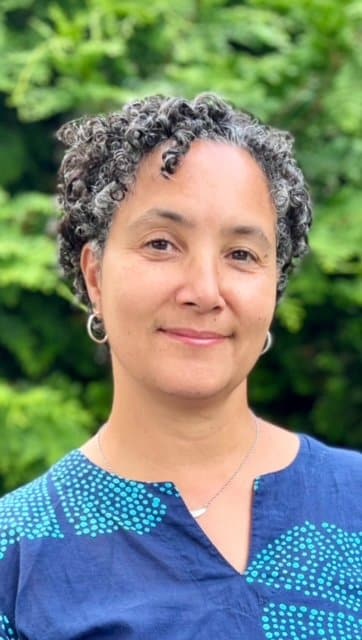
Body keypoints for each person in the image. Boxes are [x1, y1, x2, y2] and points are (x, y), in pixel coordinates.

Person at [0, 94, 360, 640]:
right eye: (162, 243)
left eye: (242, 254)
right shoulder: (18, 555)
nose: (205, 291)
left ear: (274, 287)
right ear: (95, 276)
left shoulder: (353, 499)